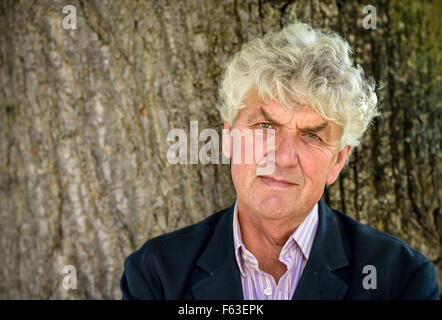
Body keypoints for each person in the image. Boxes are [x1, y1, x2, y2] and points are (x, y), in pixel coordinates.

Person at [120, 22, 439, 300]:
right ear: (230, 139)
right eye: (265, 127)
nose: (283, 157)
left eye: (312, 136)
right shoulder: (157, 274)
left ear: (339, 161)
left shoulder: (400, 279)